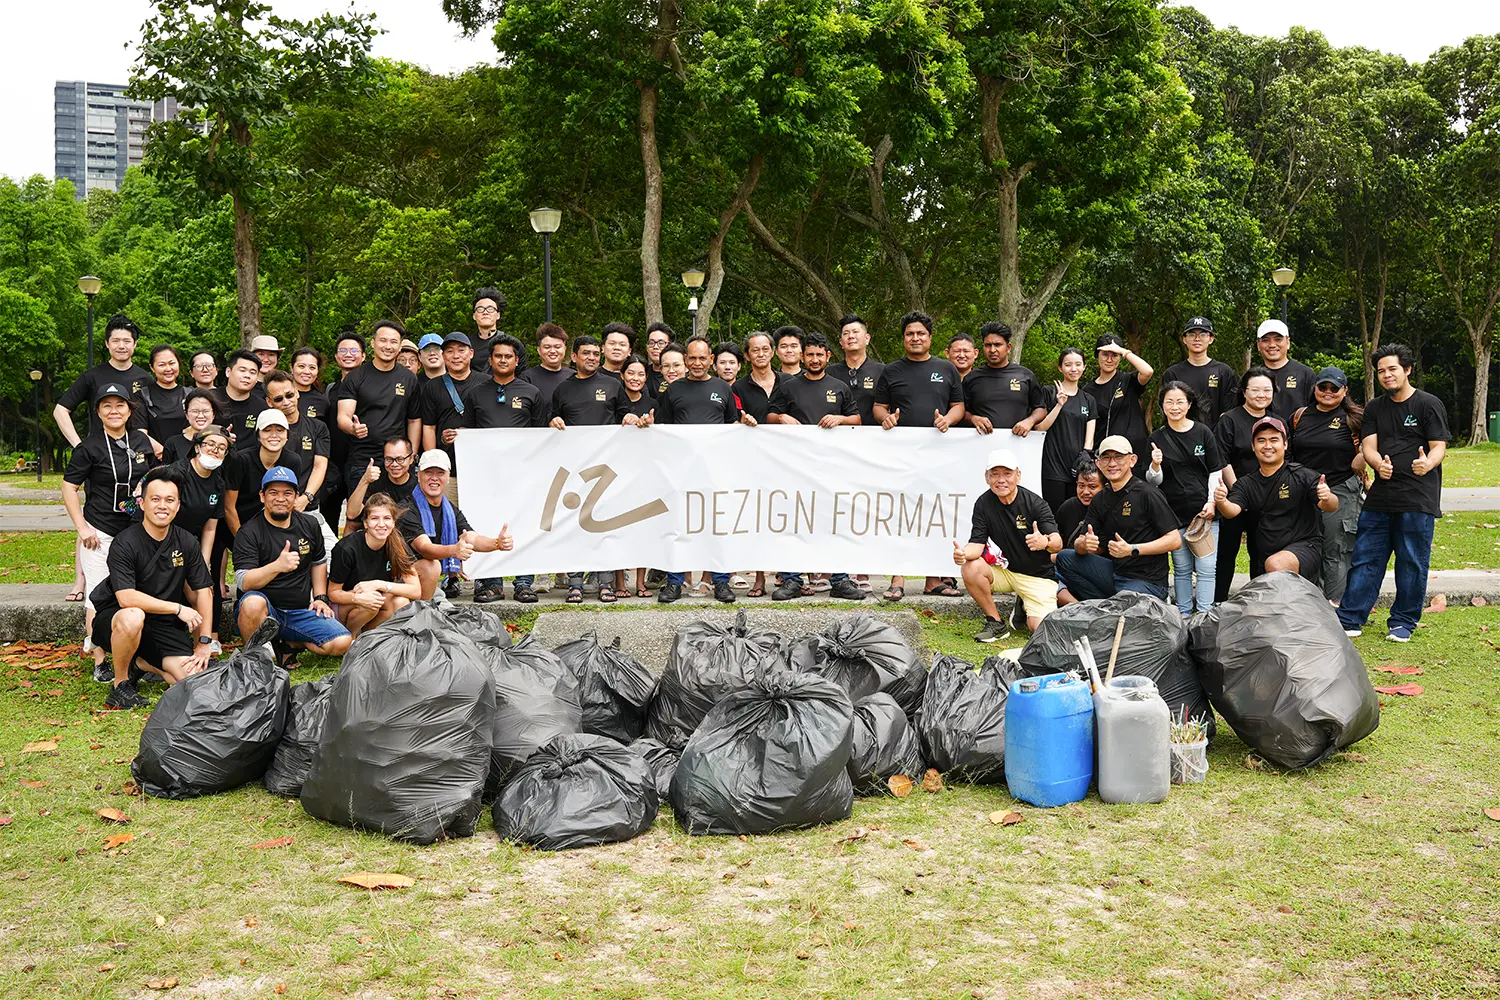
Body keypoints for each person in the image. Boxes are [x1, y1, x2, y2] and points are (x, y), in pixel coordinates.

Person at [1337, 343, 1449, 643]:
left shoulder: (1428, 404)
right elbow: (1368, 447)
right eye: (1381, 371)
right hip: (1381, 498)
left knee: (1411, 561)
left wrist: (1428, 462)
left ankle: (1403, 621)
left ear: (1407, 370)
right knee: (1365, 558)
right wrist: (1377, 464)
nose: (1386, 376)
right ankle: (1350, 617)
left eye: (1392, 369)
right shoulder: (1374, 407)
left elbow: (1439, 446)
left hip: (1418, 498)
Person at [89, 467, 216, 709]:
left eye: (170, 500)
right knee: (133, 616)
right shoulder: (125, 542)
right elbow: (126, 598)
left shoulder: (187, 541)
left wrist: (204, 642)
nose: (163, 506)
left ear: (178, 506)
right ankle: (120, 685)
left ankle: (142, 664)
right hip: (118, 618)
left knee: (187, 680)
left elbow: (203, 590)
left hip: (164, 624)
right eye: (155, 499)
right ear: (143, 503)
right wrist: (178, 608)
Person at [62, 383, 158, 678]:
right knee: (97, 595)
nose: (114, 411)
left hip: (134, 531)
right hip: (99, 531)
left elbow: (153, 476)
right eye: (107, 406)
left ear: (130, 410)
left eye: (120, 405)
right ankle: (99, 660)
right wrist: (82, 529)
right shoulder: (88, 447)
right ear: (98, 412)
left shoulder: (142, 441)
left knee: (135, 591)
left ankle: (137, 654)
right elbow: (69, 488)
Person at [764, 331, 864, 602]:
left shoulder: (840, 386)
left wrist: (839, 419)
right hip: (795, 467)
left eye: (820, 354)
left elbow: (856, 418)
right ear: (803, 356)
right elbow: (770, 415)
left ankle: (840, 580)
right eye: (810, 354)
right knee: (793, 522)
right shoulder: (788, 386)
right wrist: (782, 416)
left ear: (828, 356)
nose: (815, 359)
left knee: (833, 520)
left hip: (831, 467)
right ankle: (792, 579)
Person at [873, 311, 966, 601]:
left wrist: (948, 420)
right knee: (901, 515)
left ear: (930, 338)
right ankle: (897, 578)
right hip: (901, 456)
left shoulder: (946, 369)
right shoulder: (891, 371)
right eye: (910, 334)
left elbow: (958, 406)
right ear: (904, 339)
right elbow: (878, 407)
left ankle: (932, 579)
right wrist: (885, 418)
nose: (915, 338)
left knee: (934, 514)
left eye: (920, 334)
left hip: (938, 455)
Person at [544, 334, 643, 605]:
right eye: (585, 353)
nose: (591, 358)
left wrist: (630, 417)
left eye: (595, 354)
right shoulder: (562, 389)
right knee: (575, 524)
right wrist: (553, 421)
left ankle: (605, 582)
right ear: (573, 357)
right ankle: (575, 582)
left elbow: (626, 413)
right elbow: (551, 418)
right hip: (574, 469)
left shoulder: (612, 385)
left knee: (604, 525)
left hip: (607, 469)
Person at [648, 339, 749, 604]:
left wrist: (744, 422)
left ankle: (720, 582)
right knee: (678, 525)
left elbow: (731, 427)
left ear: (711, 359)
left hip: (715, 471)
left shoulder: (722, 389)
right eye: (691, 358)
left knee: (717, 526)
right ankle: (674, 582)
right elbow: (664, 429)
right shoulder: (672, 390)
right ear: (686, 359)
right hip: (681, 471)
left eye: (702, 359)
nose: (696, 363)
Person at [234, 466, 352, 660]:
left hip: (299, 611)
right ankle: (254, 656)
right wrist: (277, 566)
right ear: (262, 496)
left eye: (287, 493)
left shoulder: (310, 524)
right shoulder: (249, 532)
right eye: (274, 493)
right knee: (253, 603)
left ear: (296, 497)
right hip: (264, 611)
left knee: (341, 642)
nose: (281, 498)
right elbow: (244, 582)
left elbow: (319, 561)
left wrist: (320, 597)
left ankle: (288, 642)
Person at [465, 335, 547, 603]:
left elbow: (541, 436)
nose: (502, 360)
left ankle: (524, 583)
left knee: (525, 524)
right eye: (498, 356)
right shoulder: (475, 393)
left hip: (523, 473)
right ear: (490, 360)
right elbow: (467, 431)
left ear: (516, 360)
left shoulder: (531, 393)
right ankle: (490, 582)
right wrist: (457, 437)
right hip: (485, 474)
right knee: (486, 523)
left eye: (508, 356)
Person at [1214, 415, 1337, 587]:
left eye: (1274, 440)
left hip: (1303, 548)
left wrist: (1327, 496)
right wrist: (1221, 501)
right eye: (1261, 440)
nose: (1267, 446)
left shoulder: (1302, 475)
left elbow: (1331, 505)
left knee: (1276, 565)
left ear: (1285, 444)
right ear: (1253, 446)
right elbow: (1232, 510)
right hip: (1265, 554)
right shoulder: (1246, 483)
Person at [954, 448, 1062, 643]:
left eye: (1007, 473)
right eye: (994, 474)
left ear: (1018, 476)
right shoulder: (983, 503)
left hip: (1037, 576)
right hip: (1005, 572)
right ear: (987, 478)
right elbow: (976, 545)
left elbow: (1058, 543)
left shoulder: (1036, 503)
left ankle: (1024, 603)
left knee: (1040, 632)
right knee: (970, 566)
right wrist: (963, 553)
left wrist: (1044, 541)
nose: (1001, 479)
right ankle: (996, 623)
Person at [1056, 436, 1181, 600]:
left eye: (1119, 457)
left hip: (1147, 581)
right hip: (1115, 574)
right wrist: (1085, 544)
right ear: (1099, 463)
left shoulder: (1147, 494)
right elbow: (1082, 544)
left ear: (1132, 460)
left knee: (1124, 599)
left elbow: (1175, 540)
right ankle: (1105, 606)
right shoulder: (1100, 499)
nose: (1112, 463)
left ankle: (1111, 608)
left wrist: (1132, 549)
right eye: (1106, 457)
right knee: (1064, 558)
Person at [1290, 366, 1365, 602]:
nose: (1328, 392)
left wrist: (1361, 458)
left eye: (1334, 388)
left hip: (1341, 488)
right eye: (1323, 386)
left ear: (1344, 391)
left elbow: (1375, 445)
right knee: (1309, 550)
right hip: (1306, 492)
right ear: (1315, 388)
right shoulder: (1299, 416)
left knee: (1336, 551)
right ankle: (1311, 605)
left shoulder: (1354, 419)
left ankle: (1335, 606)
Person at [1147, 382, 1222, 616]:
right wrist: (1155, 464)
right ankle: (1183, 614)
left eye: (1180, 401)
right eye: (1169, 402)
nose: (1175, 406)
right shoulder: (1156, 437)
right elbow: (1152, 481)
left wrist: (1212, 502)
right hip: (1173, 513)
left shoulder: (1203, 432)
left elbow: (1215, 470)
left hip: (1204, 514)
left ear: (1189, 405)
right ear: (1162, 406)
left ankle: (1205, 614)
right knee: (1181, 568)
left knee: (1207, 567)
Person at [397, 451, 513, 600]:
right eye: (428, 472)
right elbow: (424, 548)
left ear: (448, 478)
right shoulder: (406, 509)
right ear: (418, 476)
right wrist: (453, 550)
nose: (434, 478)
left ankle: (428, 608)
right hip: (398, 578)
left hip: (422, 582)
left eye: (440, 473)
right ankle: (423, 611)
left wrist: (497, 543)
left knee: (447, 609)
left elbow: (472, 538)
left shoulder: (449, 510)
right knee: (431, 566)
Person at [337, 321, 421, 494]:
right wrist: (353, 428)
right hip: (363, 461)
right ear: (373, 343)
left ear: (399, 347)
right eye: (383, 340)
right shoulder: (355, 377)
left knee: (401, 515)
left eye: (394, 342)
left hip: (397, 462)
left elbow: (414, 420)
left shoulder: (409, 378)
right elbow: (343, 416)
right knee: (358, 516)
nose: (388, 346)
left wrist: (411, 454)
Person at [1213, 367, 1275, 603]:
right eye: (1256, 390)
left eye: (1267, 390)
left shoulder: (1276, 421)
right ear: (1244, 392)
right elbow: (1221, 458)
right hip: (1233, 496)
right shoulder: (1230, 420)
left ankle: (1257, 602)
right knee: (1227, 552)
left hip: (1268, 498)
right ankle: (1218, 602)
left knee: (1260, 553)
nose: (1261, 395)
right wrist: (1241, 492)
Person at [167, 425, 229, 652]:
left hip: (191, 546)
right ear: (197, 447)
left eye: (222, 447)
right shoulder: (177, 474)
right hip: (163, 542)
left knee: (202, 591)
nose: (215, 450)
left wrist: (201, 562)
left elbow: (210, 528)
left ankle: (202, 646)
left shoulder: (218, 483)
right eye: (210, 444)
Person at [327, 492, 422, 637]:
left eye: (387, 518)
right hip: (344, 605)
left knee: (401, 601)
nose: (381, 524)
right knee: (370, 599)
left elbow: (415, 590)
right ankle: (350, 638)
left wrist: (380, 584)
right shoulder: (346, 548)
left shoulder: (397, 544)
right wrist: (357, 598)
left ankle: (370, 637)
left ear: (393, 522)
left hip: (375, 600)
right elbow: (333, 593)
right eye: (374, 518)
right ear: (365, 523)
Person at [52, 314, 150, 447]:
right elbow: (60, 410)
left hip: (137, 454)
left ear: (135, 343)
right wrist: (79, 446)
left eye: (126, 341)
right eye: (115, 341)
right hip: (100, 453)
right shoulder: (92, 376)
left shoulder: (145, 379)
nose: (121, 346)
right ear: (107, 343)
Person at [264, 372, 332, 552]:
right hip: (275, 510)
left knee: (334, 555)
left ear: (297, 392)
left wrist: (305, 497)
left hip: (308, 507)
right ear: (269, 402)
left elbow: (319, 466)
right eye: (278, 399)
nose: (286, 402)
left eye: (289, 395)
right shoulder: (266, 431)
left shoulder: (318, 427)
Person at [224, 408, 306, 541]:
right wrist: (242, 540)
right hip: (238, 522)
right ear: (258, 435)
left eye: (280, 430)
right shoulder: (241, 460)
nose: (274, 435)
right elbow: (229, 507)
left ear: (287, 435)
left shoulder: (293, 460)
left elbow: (289, 502)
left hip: (272, 523)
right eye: (267, 430)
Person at [1035, 348, 1097, 513]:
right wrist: (1059, 405)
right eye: (1068, 365)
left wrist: (1086, 454)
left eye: (1078, 364)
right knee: (1053, 514)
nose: (1073, 369)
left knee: (1075, 515)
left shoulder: (1088, 400)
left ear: (1084, 367)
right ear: (1060, 367)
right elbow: (1040, 427)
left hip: (1077, 467)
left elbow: (1089, 435)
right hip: (1052, 466)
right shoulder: (1049, 392)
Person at [420, 332, 479, 502]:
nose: (456, 356)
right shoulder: (433, 387)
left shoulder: (486, 383)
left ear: (471, 353)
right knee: (447, 520)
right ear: (443, 355)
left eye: (461, 350)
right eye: (450, 351)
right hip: (448, 470)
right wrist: (434, 464)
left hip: (480, 469)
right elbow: (429, 428)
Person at [963, 321, 1047, 439]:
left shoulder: (1025, 375)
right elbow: (961, 411)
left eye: (997, 345)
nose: (992, 350)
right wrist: (973, 418)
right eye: (988, 345)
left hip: (1018, 445)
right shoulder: (972, 378)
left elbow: (1040, 409)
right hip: (981, 444)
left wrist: (1030, 421)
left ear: (1008, 347)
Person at [321, 332, 366, 528]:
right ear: (337, 356)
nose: (349, 354)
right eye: (343, 350)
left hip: (360, 463)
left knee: (360, 519)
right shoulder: (330, 389)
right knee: (327, 519)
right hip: (333, 465)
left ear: (363, 356)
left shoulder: (371, 386)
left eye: (354, 350)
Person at [1163, 317, 1238, 428]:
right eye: (1192, 334)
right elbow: (1168, 408)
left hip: (1216, 437)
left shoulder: (1223, 371)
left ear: (1211, 339)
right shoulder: (1172, 373)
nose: (1197, 339)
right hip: (1181, 435)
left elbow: (1230, 410)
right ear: (1184, 339)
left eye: (1203, 334)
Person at [1090, 334, 1154, 460]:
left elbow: (1148, 371)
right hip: (1106, 455)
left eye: (1114, 355)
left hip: (1134, 453)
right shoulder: (1088, 390)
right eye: (1105, 354)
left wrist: (1124, 352)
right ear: (1097, 355)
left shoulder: (1128, 380)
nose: (1109, 360)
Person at [1054, 459, 1105, 607]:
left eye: (1092, 487)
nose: (1086, 492)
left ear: (1104, 487)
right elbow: (1057, 542)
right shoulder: (1067, 507)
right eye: (1081, 486)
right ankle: (1078, 607)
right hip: (1065, 569)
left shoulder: (1108, 508)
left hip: (1095, 573)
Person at [344, 436, 419, 527]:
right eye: (389, 459)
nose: (394, 464)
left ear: (411, 459)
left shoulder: (418, 485)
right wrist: (364, 480)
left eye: (400, 459)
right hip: (379, 532)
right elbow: (351, 514)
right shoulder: (375, 481)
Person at [827, 314, 884, 430]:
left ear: (867, 338)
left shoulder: (882, 371)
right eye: (846, 333)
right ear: (841, 342)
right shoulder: (829, 373)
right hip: (836, 439)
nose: (851, 336)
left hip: (874, 439)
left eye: (855, 332)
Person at [1253, 319, 1316, 421]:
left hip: (1297, 435)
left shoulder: (1305, 374)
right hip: (1260, 435)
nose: (1272, 345)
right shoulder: (1252, 376)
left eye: (1278, 339)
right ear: (1258, 345)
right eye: (1265, 340)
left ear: (1288, 342)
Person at [138, 344, 188, 452]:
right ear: (152, 367)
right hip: (156, 459)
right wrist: (164, 453)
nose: (168, 369)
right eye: (162, 365)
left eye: (172, 363)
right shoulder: (143, 395)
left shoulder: (190, 394)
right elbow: (140, 432)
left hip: (188, 458)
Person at [221, 350, 268, 451]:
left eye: (252, 372)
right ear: (228, 372)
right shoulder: (209, 399)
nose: (247, 375)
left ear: (256, 379)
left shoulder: (262, 407)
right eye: (242, 370)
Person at [732, 332, 783, 425]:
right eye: (755, 350)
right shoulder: (738, 388)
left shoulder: (788, 381)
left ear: (772, 352)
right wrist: (743, 421)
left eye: (765, 349)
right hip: (752, 439)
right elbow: (735, 420)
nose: (761, 354)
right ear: (747, 355)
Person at [162, 389, 224, 465]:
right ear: (186, 414)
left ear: (213, 414)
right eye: (195, 411)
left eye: (205, 411)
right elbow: (165, 474)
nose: (200, 416)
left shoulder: (222, 443)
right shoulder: (173, 443)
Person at [522, 323, 576, 409]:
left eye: (557, 347)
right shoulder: (527, 378)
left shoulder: (574, 376)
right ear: (539, 350)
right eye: (547, 347)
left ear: (565, 349)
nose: (553, 351)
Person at [290, 348, 330, 424]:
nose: (306, 372)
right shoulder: (281, 397)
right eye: (301, 366)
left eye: (312, 367)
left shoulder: (322, 401)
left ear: (318, 371)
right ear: (292, 368)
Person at [471, 286, 506, 354]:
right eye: (480, 309)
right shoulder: (466, 344)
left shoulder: (511, 343)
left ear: (498, 315)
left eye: (490, 309)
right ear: (474, 316)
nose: (485, 312)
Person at [643, 323, 674, 397]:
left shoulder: (678, 374)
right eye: (651, 343)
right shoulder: (642, 373)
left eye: (661, 343)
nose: (655, 347)